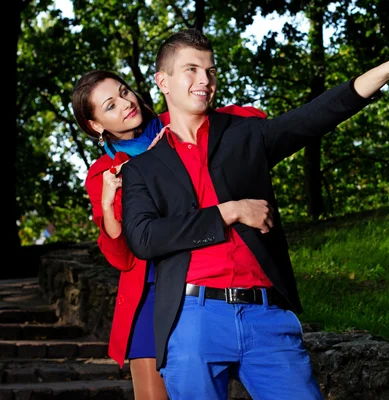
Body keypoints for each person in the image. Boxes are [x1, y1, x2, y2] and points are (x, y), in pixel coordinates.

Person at [120, 28, 389, 400]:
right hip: (192, 318)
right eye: (191, 70)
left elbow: (315, 117)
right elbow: (144, 239)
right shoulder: (143, 168)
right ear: (163, 81)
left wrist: (388, 69)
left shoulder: (245, 134)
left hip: (265, 316)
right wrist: (230, 212)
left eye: (210, 71)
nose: (204, 80)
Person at [71, 69, 266, 399]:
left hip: (211, 276)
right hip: (152, 290)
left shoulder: (176, 122)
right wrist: (108, 204)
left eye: (124, 91)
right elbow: (121, 258)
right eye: (110, 105)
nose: (125, 103)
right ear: (96, 126)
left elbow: (253, 119)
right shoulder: (103, 173)